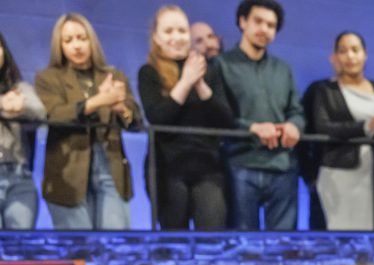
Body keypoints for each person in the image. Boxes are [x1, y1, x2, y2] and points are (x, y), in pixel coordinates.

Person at [35, 13, 141, 230]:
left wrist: (120, 107)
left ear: (92, 40)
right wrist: (98, 101)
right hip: (68, 173)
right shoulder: (48, 78)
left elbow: (136, 121)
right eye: (68, 40)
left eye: (82, 38)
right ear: (60, 46)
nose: (77, 46)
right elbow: (54, 114)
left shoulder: (114, 76)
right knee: (80, 246)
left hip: (110, 167)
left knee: (114, 243)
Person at [138, 5, 233, 231]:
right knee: (175, 239)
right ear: (156, 37)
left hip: (207, 166)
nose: (177, 37)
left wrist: (200, 85)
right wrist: (185, 82)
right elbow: (158, 117)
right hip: (167, 168)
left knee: (211, 236)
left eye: (181, 31)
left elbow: (226, 121)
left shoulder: (209, 70)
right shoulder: (149, 72)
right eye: (168, 31)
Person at [214, 0, 304, 230]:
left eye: (271, 25)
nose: (264, 29)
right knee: (244, 242)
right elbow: (218, 117)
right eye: (258, 21)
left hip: (282, 164)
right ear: (243, 21)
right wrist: (252, 128)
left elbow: (296, 111)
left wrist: (294, 125)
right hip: (240, 163)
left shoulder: (283, 69)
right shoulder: (222, 65)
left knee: (283, 242)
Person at [309, 31, 374, 231]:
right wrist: (364, 127)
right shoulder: (324, 90)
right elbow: (322, 126)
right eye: (343, 51)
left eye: (355, 50)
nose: (350, 56)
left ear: (365, 54)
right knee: (342, 232)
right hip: (339, 172)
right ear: (334, 57)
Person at [0, 31, 45, 229]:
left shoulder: (19, 88)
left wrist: (21, 108)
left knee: (19, 243)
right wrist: (3, 104)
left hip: (19, 177)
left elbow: (40, 113)